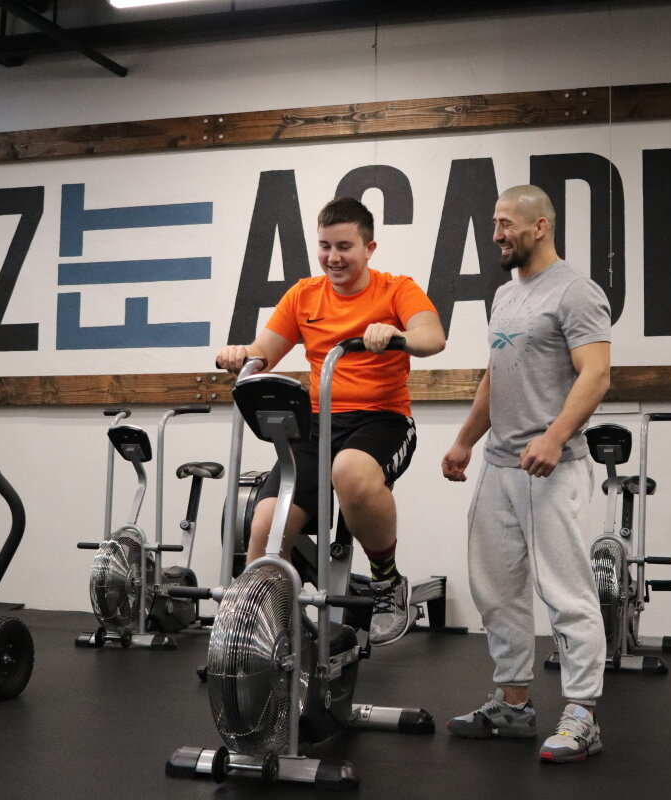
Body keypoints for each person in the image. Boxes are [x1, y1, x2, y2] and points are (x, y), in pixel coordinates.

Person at [217, 196, 445, 646]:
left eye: (344, 247)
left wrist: (397, 335)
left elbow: (433, 337)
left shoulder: (396, 289)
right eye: (325, 246)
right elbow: (263, 352)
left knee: (350, 472)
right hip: (317, 425)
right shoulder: (304, 295)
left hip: (382, 420)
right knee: (264, 527)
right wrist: (241, 354)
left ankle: (386, 582)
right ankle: (263, 640)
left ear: (369, 248)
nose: (333, 257)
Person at [441, 185, 610, 763]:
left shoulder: (576, 291)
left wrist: (555, 436)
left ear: (541, 226)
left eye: (506, 223)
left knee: (566, 592)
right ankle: (513, 703)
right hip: (499, 465)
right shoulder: (505, 295)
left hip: (551, 467)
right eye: (494, 223)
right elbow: (496, 375)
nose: (496, 235)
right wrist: (465, 440)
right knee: (496, 590)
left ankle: (583, 714)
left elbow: (596, 374)